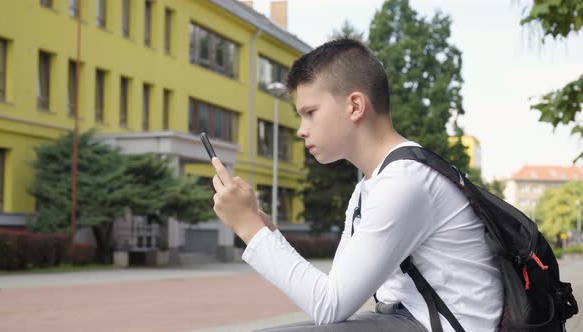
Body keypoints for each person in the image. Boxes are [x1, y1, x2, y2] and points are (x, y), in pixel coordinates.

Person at [210, 38, 503, 332]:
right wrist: (268, 234)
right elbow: (334, 293)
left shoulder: (404, 182)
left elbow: (328, 305)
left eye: (310, 113)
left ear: (354, 106)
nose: (301, 130)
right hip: (412, 319)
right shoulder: (371, 184)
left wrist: (249, 226)